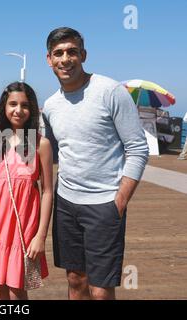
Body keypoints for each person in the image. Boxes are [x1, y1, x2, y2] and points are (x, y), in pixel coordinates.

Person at [42, 27, 149, 300]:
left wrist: (120, 200)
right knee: (76, 280)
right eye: (58, 53)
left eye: (72, 52)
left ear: (83, 55)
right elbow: (51, 152)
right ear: (49, 59)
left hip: (105, 204)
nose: (65, 59)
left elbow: (137, 148)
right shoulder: (51, 105)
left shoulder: (110, 91)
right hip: (66, 203)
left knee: (100, 290)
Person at [0, 82, 53, 300]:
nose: (18, 110)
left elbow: (47, 191)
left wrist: (41, 236)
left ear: (33, 109)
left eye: (25, 105)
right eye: (13, 104)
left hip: (24, 225)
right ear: (3, 107)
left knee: (17, 286)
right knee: (1, 284)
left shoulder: (41, 144)